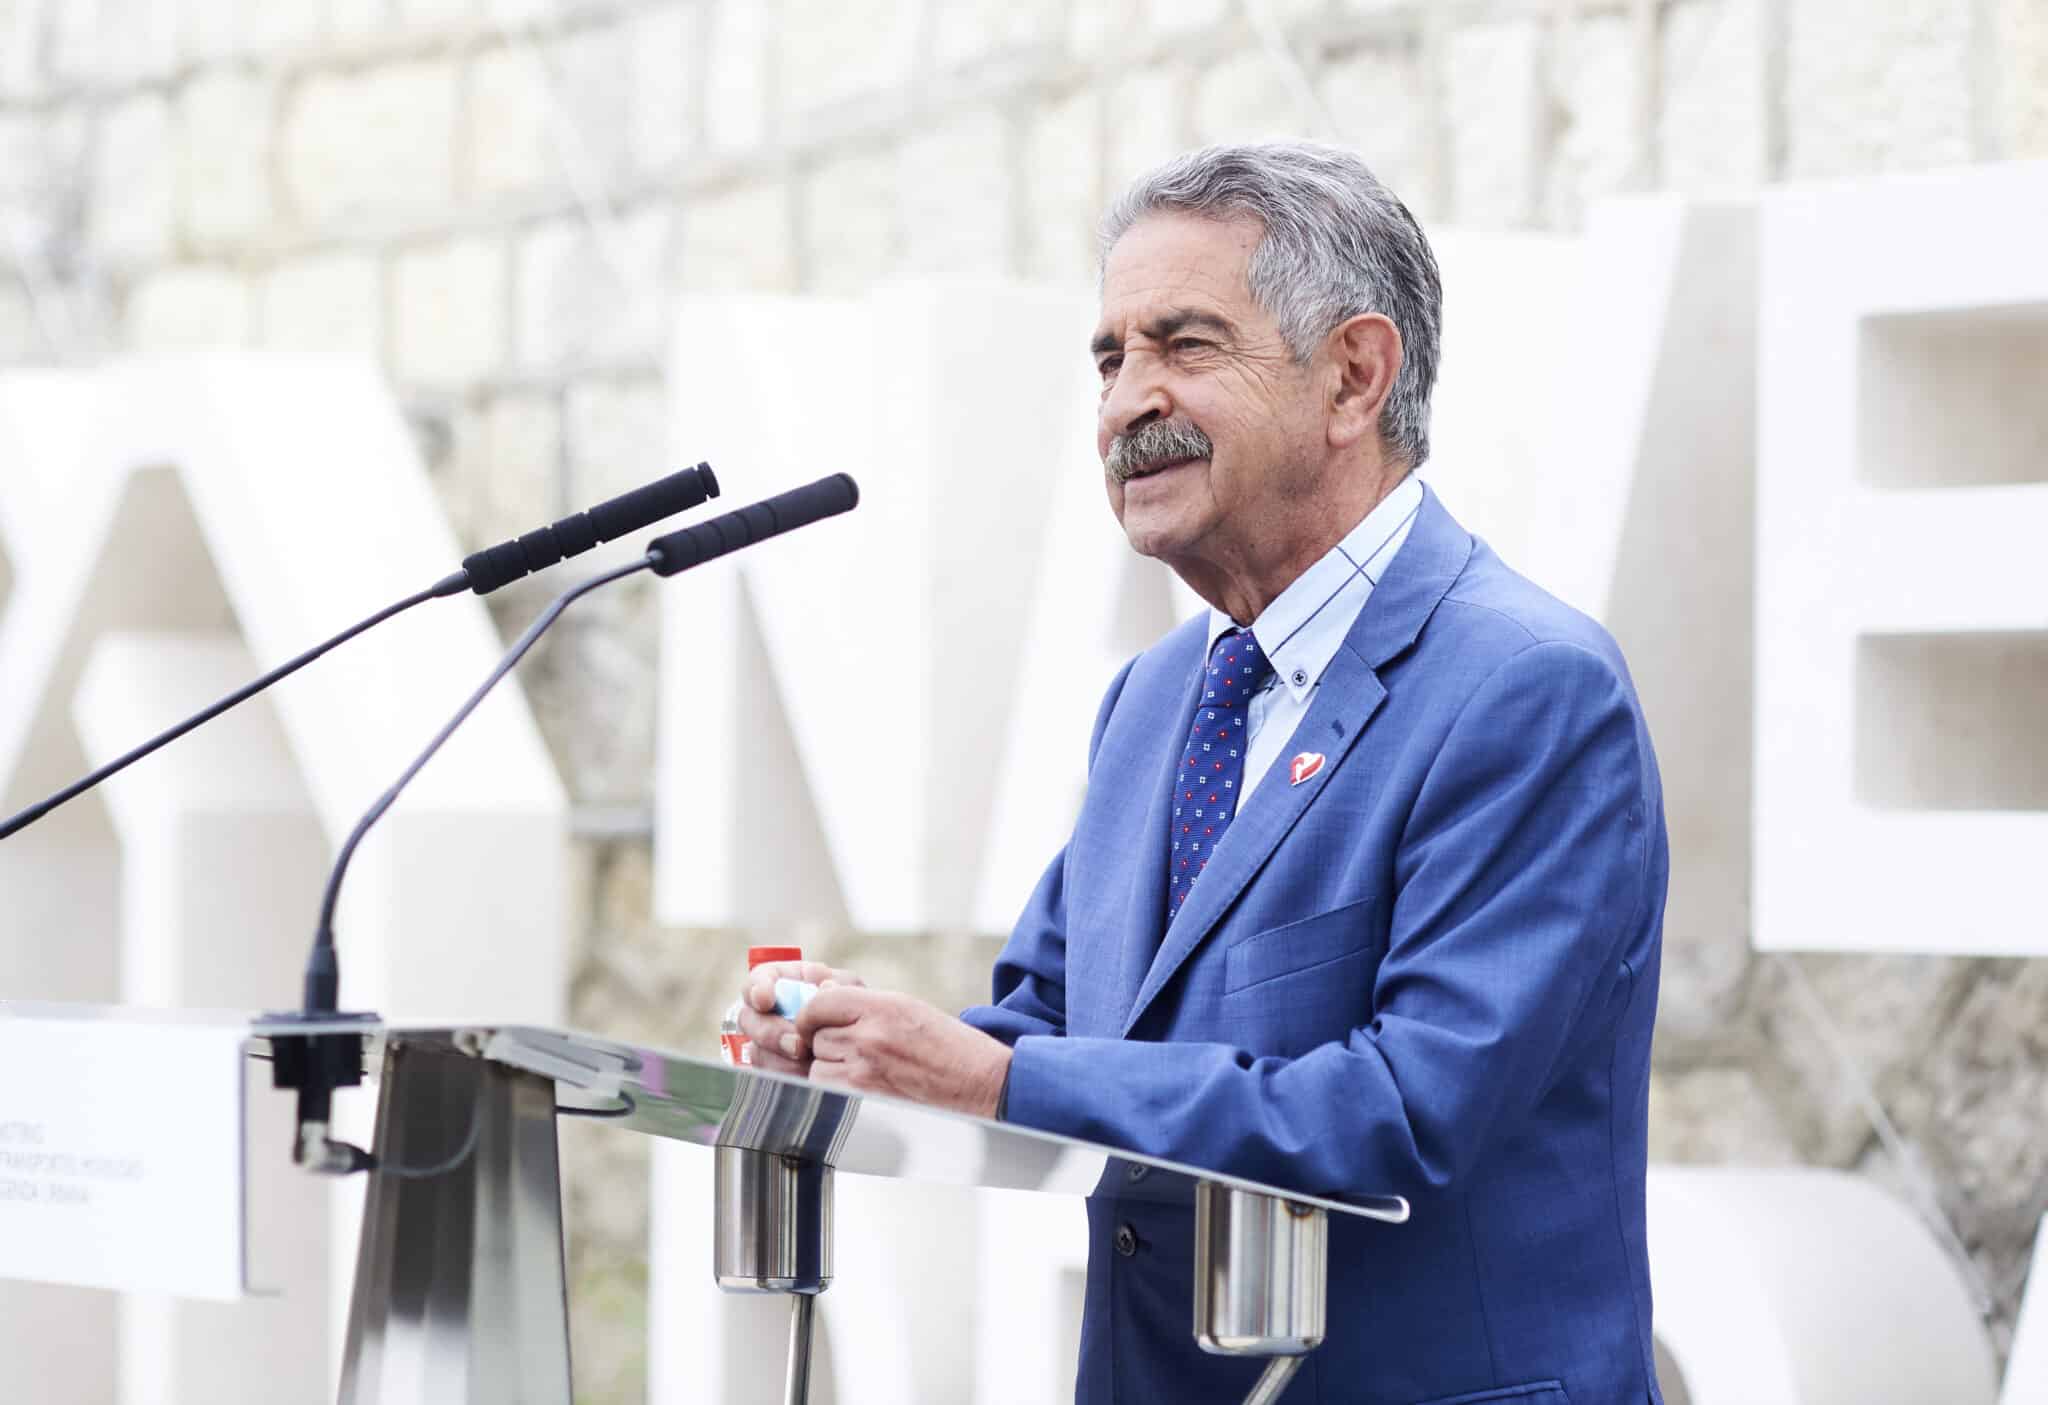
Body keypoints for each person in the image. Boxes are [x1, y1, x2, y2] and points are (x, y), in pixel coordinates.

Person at [738, 140, 1668, 1405]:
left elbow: (1404, 1112)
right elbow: (1053, 1025)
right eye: (1109, 358)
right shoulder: (1155, 697)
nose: (1125, 402)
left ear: (1353, 375)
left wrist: (999, 1074)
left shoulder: (1525, 689)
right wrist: (866, 1046)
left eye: (1183, 345)